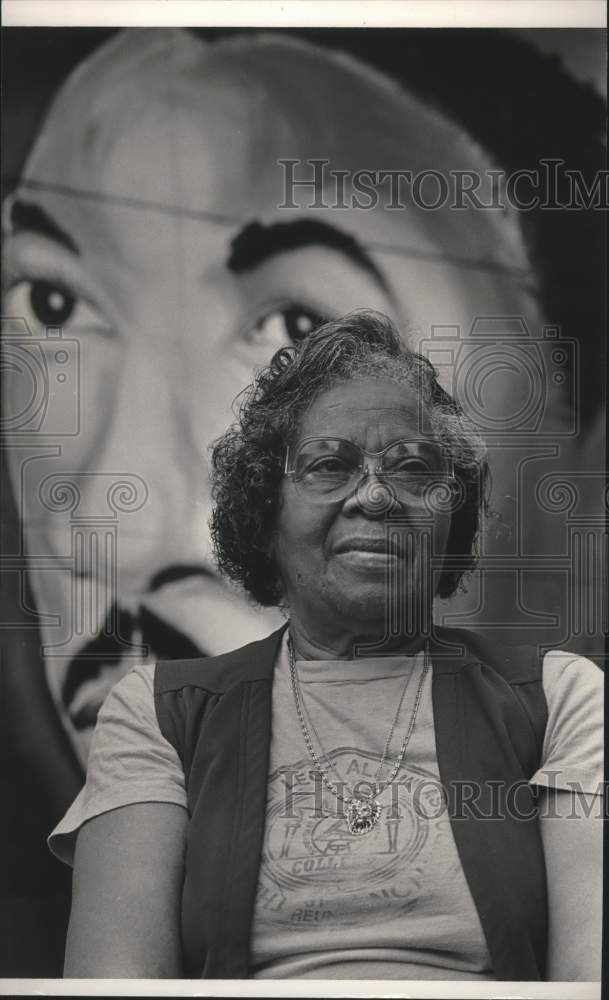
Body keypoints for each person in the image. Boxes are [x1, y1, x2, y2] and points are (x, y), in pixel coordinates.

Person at [50, 311, 603, 981]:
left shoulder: (557, 699)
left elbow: (588, 982)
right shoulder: (162, 713)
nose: (373, 496)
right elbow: (117, 988)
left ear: (450, 514)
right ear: (264, 510)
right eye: (327, 466)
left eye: (412, 468)